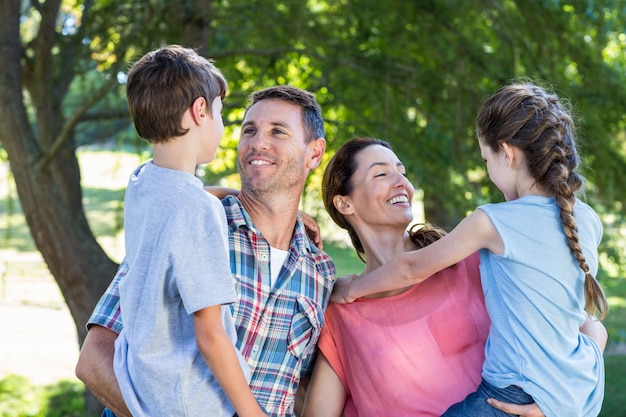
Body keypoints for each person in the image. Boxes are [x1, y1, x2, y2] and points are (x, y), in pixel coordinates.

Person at [331, 83, 608, 417]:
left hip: (506, 396)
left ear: (507, 154)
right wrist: (565, 399)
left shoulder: (492, 222)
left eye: (486, 159)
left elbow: (411, 269)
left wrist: (352, 290)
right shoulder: (586, 220)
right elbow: (589, 325)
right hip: (574, 390)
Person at [75, 85, 336, 417]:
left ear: (314, 153)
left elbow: (299, 390)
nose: (258, 142)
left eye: (278, 132)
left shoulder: (319, 272)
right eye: (249, 130)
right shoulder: (188, 223)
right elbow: (94, 359)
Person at [301, 137, 548, 417]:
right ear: (344, 204)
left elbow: (581, 326)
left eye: (402, 172)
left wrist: (560, 404)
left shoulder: (469, 262)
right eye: (381, 174)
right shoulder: (342, 315)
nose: (402, 183)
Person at [111, 45, 266, 417]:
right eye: (220, 113)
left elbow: (178, 201)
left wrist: (233, 195)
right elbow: (210, 333)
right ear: (200, 111)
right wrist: (252, 413)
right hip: (190, 402)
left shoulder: (143, 181)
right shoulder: (199, 211)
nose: (223, 125)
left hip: (142, 381)